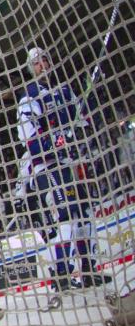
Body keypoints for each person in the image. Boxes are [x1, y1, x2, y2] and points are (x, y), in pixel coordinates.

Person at [16, 46, 110, 306]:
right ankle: (61, 275)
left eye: (45, 59)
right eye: (36, 62)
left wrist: (92, 92)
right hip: (47, 167)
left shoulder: (65, 91)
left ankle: (89, 270)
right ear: (30, 68)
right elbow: (28, 137)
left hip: (68, 163)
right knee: (66, 216)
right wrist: (54, 141)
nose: (42, 64)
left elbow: (81, 120)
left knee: (84, 214)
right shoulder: (29, 98)